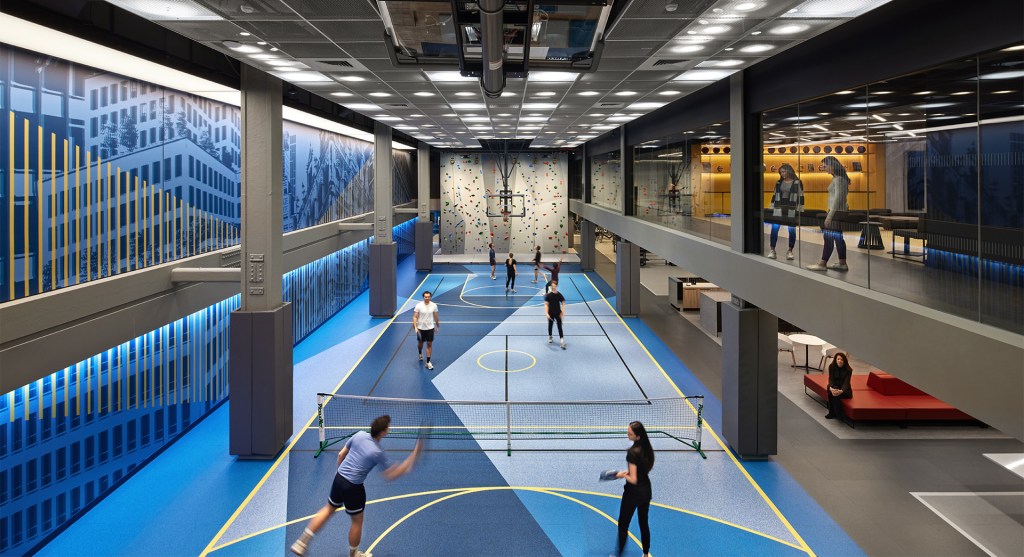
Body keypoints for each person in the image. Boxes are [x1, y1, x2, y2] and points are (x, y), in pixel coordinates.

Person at [291, 415, 423, 557]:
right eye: (388, 428)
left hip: (339, 478)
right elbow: (389, 475)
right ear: (383, 432)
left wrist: (340, 474)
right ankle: (354, 555)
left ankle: (302, 542)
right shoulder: (377, 452)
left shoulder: (359, 434)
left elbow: (341, 454)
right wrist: (411, 459)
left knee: (329, 509)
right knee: (357, 522)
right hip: (353, 488)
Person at [612, 421, 654, 557]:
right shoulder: (648, 449)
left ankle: (619, 554)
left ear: (638, 437)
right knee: (643, 522)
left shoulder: (632, 453)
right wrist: (629, 472)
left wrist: (621, 475)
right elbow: (642, 471)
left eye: (630, 433)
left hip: (633, 494)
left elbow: (633, 479)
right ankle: (646, 554)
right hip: (646, 491)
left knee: (623, 524)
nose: (627, 435)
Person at [807, 156, 850, 272]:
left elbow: (837, 199)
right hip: (839, 212)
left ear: (832, 166)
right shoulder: (839, 179)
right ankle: (842, 263)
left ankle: (822, 263)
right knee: (838, 238)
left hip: (836, 213)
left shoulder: (839, 180)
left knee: (829, 238)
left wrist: (829, 216)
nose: (824, 168)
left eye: (825, 166)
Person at [767, 163, 804, 260]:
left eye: (784, 171)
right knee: (774, 229)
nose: (782, 174)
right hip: (778, 208)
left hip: (791, 208)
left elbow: (801, 196)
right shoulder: (778, 182)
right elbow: (774, 195)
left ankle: (790, 251)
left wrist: (800, 209)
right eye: (781, 172)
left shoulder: (797, 182)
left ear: (789, 171)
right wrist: (771, 207)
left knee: (791, 230)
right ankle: (772, 250)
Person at [413, 291, 439, 370]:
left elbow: (435, 316)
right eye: (425, 297)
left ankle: (428, 362)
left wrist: (437, 325)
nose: (427, 298)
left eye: (428, 297)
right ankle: (420, 352)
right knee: (420, 343)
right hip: (420, 328)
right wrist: (415, 327)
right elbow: (415, 317)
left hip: (430, 328)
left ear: (430, 297)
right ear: (423, 297)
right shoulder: (418, 305)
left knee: (429, 344)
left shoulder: (434, 305)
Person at [825, 352, 853, 421]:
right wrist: (831, 387)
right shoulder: (831, 367)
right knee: (830, 392)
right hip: (835, 387)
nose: (839, 361)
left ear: (844, 361)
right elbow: (831, 379)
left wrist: (841, 391)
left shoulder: (848, 370)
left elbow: (846, 383)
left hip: (845, 390)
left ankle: (837, 414)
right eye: (838, 359)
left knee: (835, 395)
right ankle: (832, 413)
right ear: (835, 360)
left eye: (841, 359)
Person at [544, 280, 566, 349]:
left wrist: (563, 311)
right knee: (550, 325)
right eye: (552, 286)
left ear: (556, 286)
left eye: (554, 286)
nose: (553, 287)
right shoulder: (549, 295)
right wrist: (546, 313)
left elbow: (563, 302)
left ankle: (562, 341)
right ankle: (550, 336)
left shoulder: (559, 294)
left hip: (558, 313)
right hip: (550, 313)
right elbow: (546, 304)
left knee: (559, 327)